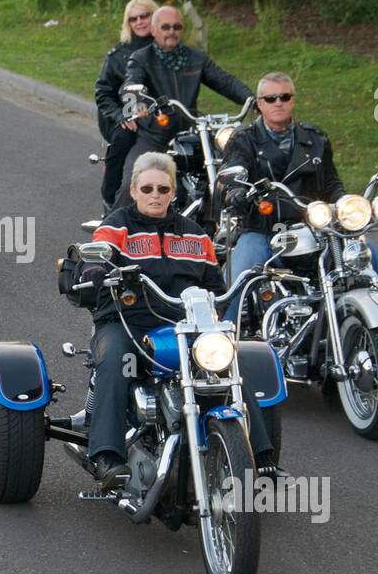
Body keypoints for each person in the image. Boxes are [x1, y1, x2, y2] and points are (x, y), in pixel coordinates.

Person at [78, 153, 280, 489]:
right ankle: (107, 457)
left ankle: (261, 458)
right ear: (134, 190)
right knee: (117, 360)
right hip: (127, 323)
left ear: (173, 192)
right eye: (147, 188)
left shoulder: (196, 235)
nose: (155, 195)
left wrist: (230, 296)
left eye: (162, 188)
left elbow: (215, 286)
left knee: (232, 361)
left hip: (184, 327)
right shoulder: (116, 226)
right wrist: (96, 270)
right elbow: (96, 257)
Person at [219, 72, 378, 323]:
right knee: (242, 274)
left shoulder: (315, 138)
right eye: (270, 98)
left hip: (314, 226)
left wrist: (345, 204)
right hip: (263, 228)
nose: (278, 102)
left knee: (364, 249)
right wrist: (236, 192)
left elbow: (331, 182)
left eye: (284, 96)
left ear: (292, 100)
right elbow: (231, 172)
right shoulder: (243, 139)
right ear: (259, 103)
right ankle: (223, 337)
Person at [115, 5, 254, 210]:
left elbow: (224, 80)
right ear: (154, 30)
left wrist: (252, 98)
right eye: (166, 27)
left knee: (226, 174)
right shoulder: (141, 58)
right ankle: (111, 233)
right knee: (132, 184)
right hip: (154, 136)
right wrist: (138, 102)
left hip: (191, 135)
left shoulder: (196, 58)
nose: (172, 31)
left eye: (177, 27)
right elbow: (130, 84)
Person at [94, 0, 157, 210]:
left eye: (144, 16)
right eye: (133, 19)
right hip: (121, 115)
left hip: (158, 114)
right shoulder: (118, 55)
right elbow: (103, 92)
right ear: (127, 24)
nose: (139, 22)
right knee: (125, 136)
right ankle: (109, 196)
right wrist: (121, 115)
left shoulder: (166, 48)